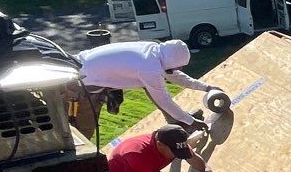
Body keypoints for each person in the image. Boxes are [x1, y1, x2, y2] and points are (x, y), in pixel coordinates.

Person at [76, 39, 215, 129]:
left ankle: (177, 122)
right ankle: (81, 161)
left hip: (82, 62)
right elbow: (164, 100)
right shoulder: (149, 68)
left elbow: (176, 76)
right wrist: (192, 122)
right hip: (85, 81)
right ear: (171, 62)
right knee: (85, 126)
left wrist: (206, 87)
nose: (179, 70)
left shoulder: (154, 50)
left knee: (152, 89)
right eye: (178, 67)